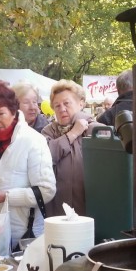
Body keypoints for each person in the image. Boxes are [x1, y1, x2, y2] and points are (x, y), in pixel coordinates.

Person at [0, 80, 56, 251]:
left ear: (13, 110)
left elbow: (47, 191)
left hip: (25, 234)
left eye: (0, 113)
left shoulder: (33, 140)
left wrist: (6, 196)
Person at [42, 79, 98, 217]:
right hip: (56, 211)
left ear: (81, 103)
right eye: (57, 105)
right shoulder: (48, 131)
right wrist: (73, 134)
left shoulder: (95, 130)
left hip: (89, 208)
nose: (62, 109)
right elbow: (45, 157)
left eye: (66, 103)